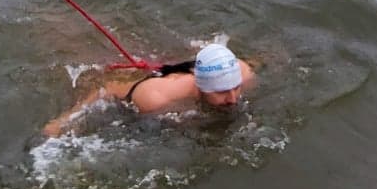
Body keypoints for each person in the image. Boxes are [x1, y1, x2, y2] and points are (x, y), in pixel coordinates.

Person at [43, 43, 257, 137]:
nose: (233, 99)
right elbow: (108, 88)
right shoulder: (156, 98)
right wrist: (65, 119)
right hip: (141, 85)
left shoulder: (244, 73)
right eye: (221, 92)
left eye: (235, 88)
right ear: (200, 85)